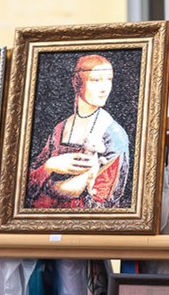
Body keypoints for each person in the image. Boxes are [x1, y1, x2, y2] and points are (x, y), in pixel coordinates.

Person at [25, 54, 130, 209]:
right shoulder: (60, 129)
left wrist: (51, 186)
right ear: (77, 82)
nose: (104, 89)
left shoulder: (114, 134)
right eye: (96, 80)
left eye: (109, 79)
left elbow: (99, 198)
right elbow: (27, 184)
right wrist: (50, 165)